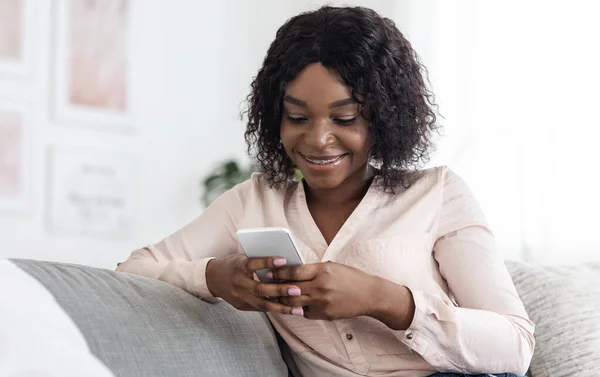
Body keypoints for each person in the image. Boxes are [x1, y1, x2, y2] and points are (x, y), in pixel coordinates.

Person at [116, 6, 534, 377]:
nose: (318, 139)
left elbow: (515, 347)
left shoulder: (437, 194)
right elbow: (134, 270)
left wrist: (383, 300)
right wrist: (214, 277)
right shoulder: (254, 201)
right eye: (297, 117)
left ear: (384, 118)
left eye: (345, 117)